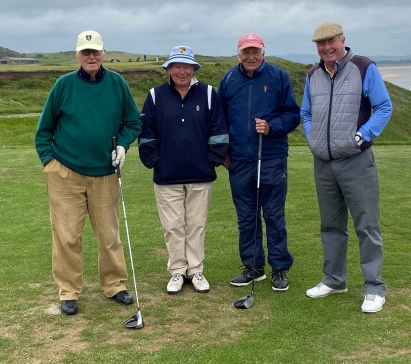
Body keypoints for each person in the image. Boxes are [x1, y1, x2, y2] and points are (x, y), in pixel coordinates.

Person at [35, 30, 141, 316]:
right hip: (65, 173)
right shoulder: (64, 85)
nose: (91, 57)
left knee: (109, 234)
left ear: (103, 53)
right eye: (85, 52)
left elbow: (133, 122)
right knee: (67, 236)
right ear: (78, 55)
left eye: (95, 52)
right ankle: (68, 291)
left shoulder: (117, 83)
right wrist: (49, 162)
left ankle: (114, 285)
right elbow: (44, 131)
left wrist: (122, 145)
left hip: (105, 173)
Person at [300, 22, 393, 313]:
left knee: (366, 225)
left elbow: (384, 107)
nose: (326, 47)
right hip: (323, 162)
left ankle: (374, 288)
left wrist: (361, 136)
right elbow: (306, 112)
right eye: (321, 43)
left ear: (342, 40)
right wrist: (313, 138)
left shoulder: (363, 67)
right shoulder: (313, 74)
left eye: (331, 41)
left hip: (356, 160)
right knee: (330, 225)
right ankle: (334, 280)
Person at [138, 45, 229, 294]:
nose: (181, 71)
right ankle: (177, 271)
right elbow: (147, 132)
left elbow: (219, 129)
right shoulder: (155, 95)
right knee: (173, 227)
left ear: (193, 69)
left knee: (197, 225)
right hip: (167, 175)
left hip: (201, 174)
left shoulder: (208, 93)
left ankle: (195, 269)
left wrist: (212, 159)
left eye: (186, 66)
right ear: (169, 69)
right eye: (176, 66)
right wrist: (155, 160)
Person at [217, 33, 300, 292]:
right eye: (246, 52)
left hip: (271, 157)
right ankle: (253, 266)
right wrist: (223, 153)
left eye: (255, 51)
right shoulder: (229, 80)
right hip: (240, 160)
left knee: (274, 214)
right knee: (246, 216)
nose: (251, 57)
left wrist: (272, 127)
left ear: (263, 53)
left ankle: (279, 267)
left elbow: (293, 115)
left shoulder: (278, 77)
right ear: (239, 54)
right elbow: (219, 119)